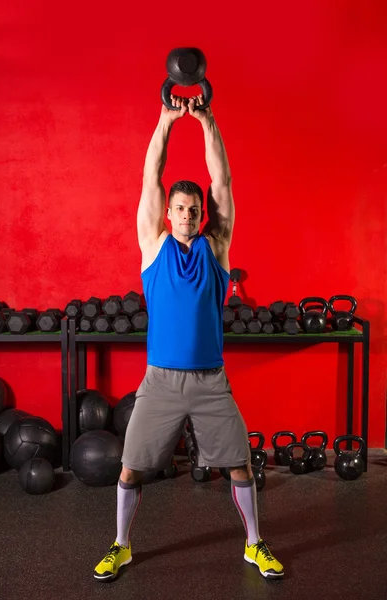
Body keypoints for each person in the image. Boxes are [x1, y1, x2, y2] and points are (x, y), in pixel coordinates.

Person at [93, 94, 284, 581]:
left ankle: (254, 545)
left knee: (239, 466)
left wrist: (206, 120)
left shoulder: (215, 248)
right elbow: (149, 177)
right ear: (168, 213)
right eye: (178, 208)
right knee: (131, 469)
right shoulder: (153, 246)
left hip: (210, 381)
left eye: (193, 209)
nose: (185, 215)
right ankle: (121, 546)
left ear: (201, 213)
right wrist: (165, 121)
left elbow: (222, 180)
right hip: (159, 383)